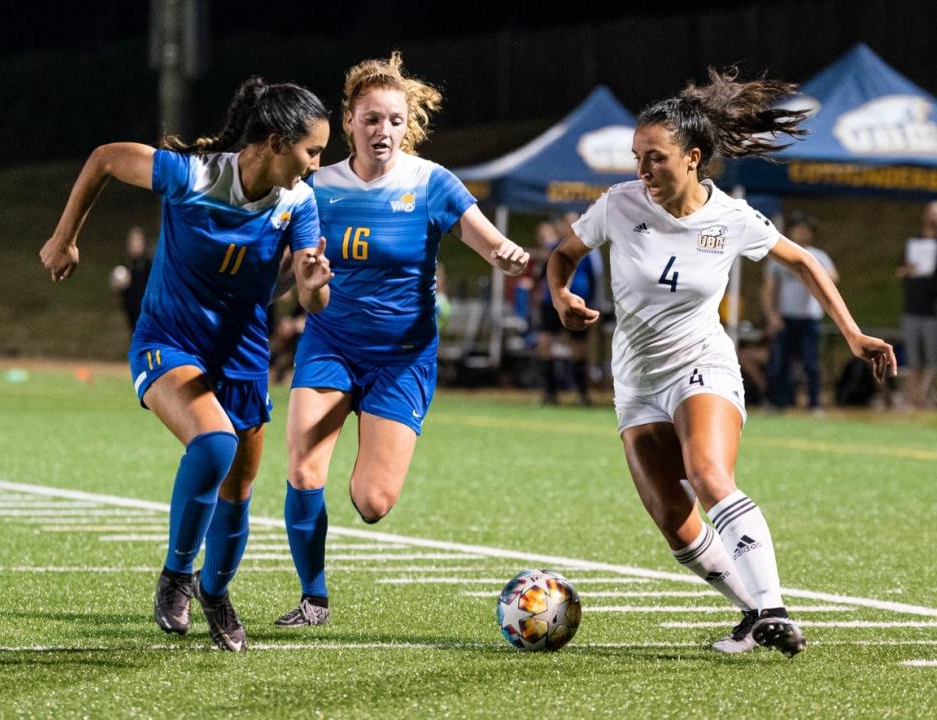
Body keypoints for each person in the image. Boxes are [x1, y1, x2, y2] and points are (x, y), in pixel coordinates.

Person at [547, 67, 895, 658]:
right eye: (637, 157)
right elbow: (563, 255)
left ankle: (775, 607)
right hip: (634, 382)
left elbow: (805, 262)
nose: (641, 170)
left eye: (655, 158)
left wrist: (853, 332)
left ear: (693, 157)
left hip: (701, 364)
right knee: (676, 525)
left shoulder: (732, 218)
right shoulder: (618, 205)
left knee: (708, 473)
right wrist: (562, 297)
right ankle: (753, 613)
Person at [39, 77, 333, 652]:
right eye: (312, 151)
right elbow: (103, 159)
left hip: (242, 355)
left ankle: (215, 592)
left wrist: (314, 287)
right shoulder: (193, 175)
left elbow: (309, 295)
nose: (317, 165)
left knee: (240, 488)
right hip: (168, 342)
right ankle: (176, 575)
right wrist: (63, 237)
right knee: (214, 443)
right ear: (275, 141)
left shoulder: (299, 201)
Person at [275, 52, 529, 628]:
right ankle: (313, 599)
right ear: (348, 123)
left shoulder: (431, 182)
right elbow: (287, 277)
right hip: (330, 344)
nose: (382, 131)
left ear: (405, 124)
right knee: (304, 470)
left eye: (393, 120)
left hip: (402, 359)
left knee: (372, 502)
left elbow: (488, 241)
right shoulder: (315, 187)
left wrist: (507, 257)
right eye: (371, 119)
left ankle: (366, 460)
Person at [761, 212, 838, 411]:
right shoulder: (781, 253)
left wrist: (813, 271)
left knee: (811, 363)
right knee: (780, 362)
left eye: (806, 230)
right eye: (799, 229)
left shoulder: (817, 256)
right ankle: (778, 403)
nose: (803, 233)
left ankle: (814, 404)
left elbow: (832, 279)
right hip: (786, 317)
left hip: (809, 318)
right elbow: (769, 288)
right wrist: (772, 315)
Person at [536, 217, 598, 405]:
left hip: (579, 302)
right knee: (545, 343)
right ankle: (550, 393)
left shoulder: (588, 250)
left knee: (579, 349)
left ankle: (582, 393)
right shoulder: (553, 248)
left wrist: (593, 303)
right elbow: (542, 273)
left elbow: (595, 277)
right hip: (551, 303)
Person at [896, 201, 937, 408]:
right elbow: (899, 270)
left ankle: (929, 398)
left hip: (933, 311)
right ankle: (915, 400)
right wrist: (905, 271)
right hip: (912, 308)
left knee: (933, 359)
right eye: (931, 213)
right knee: (913, 359)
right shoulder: (912, 242)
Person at [108, 225, 154, 332]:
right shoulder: (126, 264)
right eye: (131, 241)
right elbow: (121, 290)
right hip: (132, 315)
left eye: (137, 240)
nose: (133, 244)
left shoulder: (149, 264)